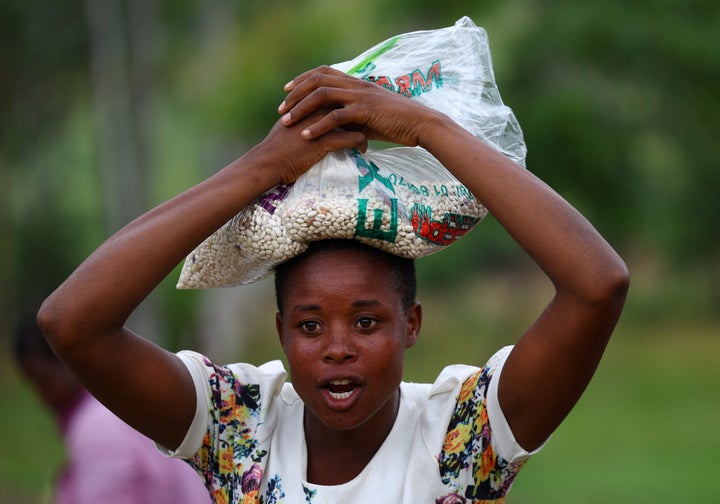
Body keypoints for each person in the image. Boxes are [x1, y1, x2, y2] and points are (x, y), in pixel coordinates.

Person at [36, 65, 629, 502]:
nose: (337, 347)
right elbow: (72, 323)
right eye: (309, 324)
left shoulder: (461, 434)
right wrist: (261, 167)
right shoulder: (239, 424)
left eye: (367, 321)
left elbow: (597, 285)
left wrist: (423, 126)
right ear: (281, 332)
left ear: (412, 324)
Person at [13, 317, 212, 504]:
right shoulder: (116, 400)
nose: (42, 398)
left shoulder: (96, 426)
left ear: (66, 363)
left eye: (44, 382)